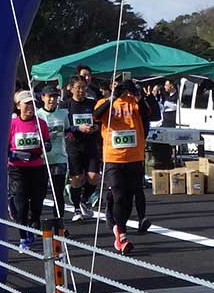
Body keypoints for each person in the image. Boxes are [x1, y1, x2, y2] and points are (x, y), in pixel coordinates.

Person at [93, 78, 157, 254]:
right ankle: (121, 236)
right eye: (115, 84)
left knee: (128, 198)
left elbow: (148, 113)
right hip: (113, 157)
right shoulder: (104, 102)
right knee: (119, 196)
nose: (121, 88)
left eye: (122, 85)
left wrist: (138, 95)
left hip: (134, 157)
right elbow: (97, 115)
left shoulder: (134, 102)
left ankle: (119, 225)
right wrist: (113, 97)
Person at [8, 91, 52, 252]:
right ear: (18, 106)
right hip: (17, 169)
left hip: (37, 167)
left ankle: (33, 224)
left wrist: (46, 146)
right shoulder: (11, 124)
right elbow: (4, 148)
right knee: (21, 205)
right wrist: (14, 154)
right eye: (26, 104)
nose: (30, 107)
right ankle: (23, 238)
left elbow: (47, 142)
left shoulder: (41, 123)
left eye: (32, 104)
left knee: (37, 204)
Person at [62, 75, 101, 222]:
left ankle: (85, 199)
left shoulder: (92, 104)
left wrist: (96, 127)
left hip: (90, 144)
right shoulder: (66, 106)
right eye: (78, 87)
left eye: (84, 87)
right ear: (71, 88)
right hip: (74, 146)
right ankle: (77, 207)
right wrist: (78, 128)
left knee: (93, 177)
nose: (81, 90)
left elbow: (100, 121)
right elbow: (64, 127)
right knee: (77, 178)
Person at [36, 85, 70, 233]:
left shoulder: (63, 114)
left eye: (55, 97)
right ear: (42, 97)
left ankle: (59, 226)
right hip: (42, 160)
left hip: (59, 158)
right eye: (49, 96)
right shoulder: (37, 115)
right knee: (40, 193)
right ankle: (35, 223)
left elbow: (68, 131)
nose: (52, 100)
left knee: (58, 194)